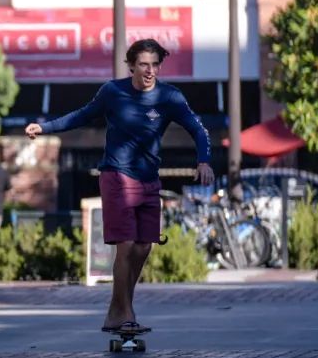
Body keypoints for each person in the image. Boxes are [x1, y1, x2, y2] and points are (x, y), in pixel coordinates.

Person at [25, 38, 214, 333]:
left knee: (143, 247)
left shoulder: (170, 97)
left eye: (154, 65)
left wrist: (203, 160)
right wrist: (46, 127)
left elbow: (198, 130)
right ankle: (125, 312)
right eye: (143, 65)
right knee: (125, 246)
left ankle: (118, 307)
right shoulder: (113, 92)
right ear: (131, 66)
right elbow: (82, 115)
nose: (150, 70)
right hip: (117, 176)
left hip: (149, 178)